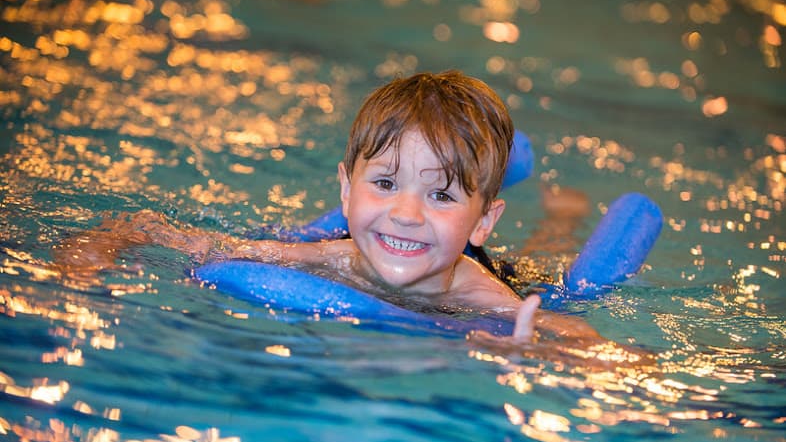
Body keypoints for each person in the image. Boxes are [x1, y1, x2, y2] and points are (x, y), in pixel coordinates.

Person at [54, 70, 605, 345]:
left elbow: (593, 346)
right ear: (346, 192)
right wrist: (92, 255)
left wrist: (531, 351)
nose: (407, 214)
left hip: (479, 268)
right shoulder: (333, 257)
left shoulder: (480, 294)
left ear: (482, 220)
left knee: (545, 269)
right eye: (385, 184)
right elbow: (155, 229)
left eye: (441, 195)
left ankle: (563, 217)